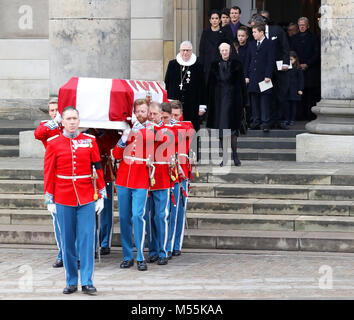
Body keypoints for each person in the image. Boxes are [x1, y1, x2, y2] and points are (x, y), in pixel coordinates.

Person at [44, 106, 106, 295]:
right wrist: (50, 199)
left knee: (87, 240)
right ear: (62, 121)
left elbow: (98, 168)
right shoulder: (53, 142)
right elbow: (48, 172)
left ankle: (87, 281)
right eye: (68, 118)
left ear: (79, 121)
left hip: (87, 195)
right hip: (63, 196)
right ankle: (71, 281)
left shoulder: (90, 141)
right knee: (67, 241)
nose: (72, 122)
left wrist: (101, 194)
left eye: (75, 118)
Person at [112, 99, 155, 272]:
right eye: (137, 111)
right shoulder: (128, 129)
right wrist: (124, 137)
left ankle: (141, 256)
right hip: (123, 179)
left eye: (143, 111)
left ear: (148, 113)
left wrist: (138, 131)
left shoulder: (151, 128)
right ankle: (127, 255)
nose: (140, 114)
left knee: (138, 216)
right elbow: (116, 154)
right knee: (124, 218)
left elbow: (154, 141)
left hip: (140, 179)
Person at [34, 97, 64, 269]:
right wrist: (55, 122)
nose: (54, 113)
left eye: (56, 110)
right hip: (54, 174)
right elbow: (38, 134)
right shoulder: (48, 126)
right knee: (58, 220)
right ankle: (61, 253)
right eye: (51, 110)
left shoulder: (69, 124)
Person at [207, 42, 247, 167]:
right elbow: (210, 85)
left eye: (226, 50)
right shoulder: (214, 65)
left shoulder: (237, 64)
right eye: (222, 50)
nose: (224, 52)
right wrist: (208, 103)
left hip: (233, 100)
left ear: (230, 51)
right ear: (219, 52)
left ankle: (235, 155)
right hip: (219, 102)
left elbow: (242, 84)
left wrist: (245, 102)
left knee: (233, 130)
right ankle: (224, 157)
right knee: (221, 130)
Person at [163, 101, 195, 258]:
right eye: (171, 115)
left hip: (181, 174)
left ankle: (176, 244)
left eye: (176, 115)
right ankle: (165, 244)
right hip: (165, 173)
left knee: (178, 212)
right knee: (166, 212)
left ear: (181, 114)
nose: (174, 118)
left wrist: (173, 124)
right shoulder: (165, 126)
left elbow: (188, 133)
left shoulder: (185, 125)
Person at [144, 101, 171, 266]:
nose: (152, 117)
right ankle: (153, 250)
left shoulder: (167, 130)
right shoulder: (145, 130)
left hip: (161, 179)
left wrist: (149, 129)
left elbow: (162, 139)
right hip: (146, 179)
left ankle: (163, 251)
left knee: (160, 216)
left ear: (161, 114)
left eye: (155, 114)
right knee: (148, 217)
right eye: (150, 114)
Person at [86, 128, 121, 257]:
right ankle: (93, 244)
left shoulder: (109, 133)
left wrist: (105, 132)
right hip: (87, 174)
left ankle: (105, 242)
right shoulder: (85, 132)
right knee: (90, 212)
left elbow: (114, 143)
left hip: (105, 173)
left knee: (106, 211)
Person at [164, 40, 207, 132]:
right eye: (183, 50)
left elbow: (202, 87)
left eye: (188, 50)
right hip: (174, 103)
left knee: (191, 128)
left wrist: (202, 106)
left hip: (192, 104)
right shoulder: (172, 64)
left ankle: (192, 146)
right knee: (174, 129)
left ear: (191, 51)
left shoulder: (198, 66)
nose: (185, 52)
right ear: (180, 51)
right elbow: (166, 83)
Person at [259, 13, 291, 130]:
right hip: (265, 70)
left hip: (279, 69)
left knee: (280, 94)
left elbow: (285, 46)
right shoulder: (255, 34)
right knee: (267, 95)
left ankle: (279, 120)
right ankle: (268, 121)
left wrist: (286, 63)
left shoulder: (277, 30)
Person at [245, 24, 275, 132]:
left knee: (264, 100)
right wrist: (246, 76)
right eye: (252, 32)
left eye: (255, 32)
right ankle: (256, 121)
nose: (253, 34)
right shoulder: (251, 44)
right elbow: (248, 61)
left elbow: (270, 60)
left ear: (261, 32)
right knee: (254, 100)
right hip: (253, 77)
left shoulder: (269, 43)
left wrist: (268, 75)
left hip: (264, 77)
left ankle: (265, 122)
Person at [290, 17, 320, 120]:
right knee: (298, 92)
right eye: (300, 25)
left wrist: (307, 64)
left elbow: (317, 54)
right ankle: (299, 115)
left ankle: (310, 115)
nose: (301, 27)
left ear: (308, 25)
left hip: (310, 70)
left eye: (303, 25)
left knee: (310, 95)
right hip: (297, 70)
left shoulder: (314, 38)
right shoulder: (293, 38)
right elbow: (291, 53)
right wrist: (297, 64)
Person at [199, 9, 226, 85]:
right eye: (212, 18)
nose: (214, 20)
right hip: (207, 65)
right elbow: (201, 50)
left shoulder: (224, 33)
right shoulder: (205, 33)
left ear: (220, 20)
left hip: (220, 65)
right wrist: (202, 67)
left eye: (216, 18)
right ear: (210, 20)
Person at [284, 51, 304, 126]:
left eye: (291, 59)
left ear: (295, 59)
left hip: (295, 90)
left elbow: (301, 80)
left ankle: (292, 119)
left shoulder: (298, 68)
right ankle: (286, 119)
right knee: (286, 106)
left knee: (293, 106)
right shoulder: (285, 68)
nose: (290, 61)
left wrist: (300, 89)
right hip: (286, 89)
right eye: (288, 59)